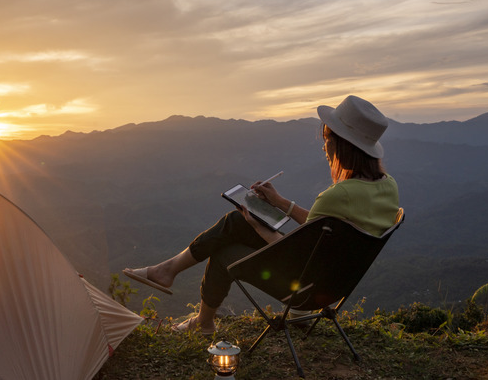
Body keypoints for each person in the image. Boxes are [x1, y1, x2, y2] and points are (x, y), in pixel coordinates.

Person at [123, 95, 400, 335]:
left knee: (227, 246)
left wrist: (257, 226)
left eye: (327, 138)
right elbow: (324, 229)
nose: (324, 146)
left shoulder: (339, 195)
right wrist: (279, 203)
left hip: (304, 288)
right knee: (238, 222)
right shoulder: (387, 187)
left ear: (342, 145)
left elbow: (298, 253)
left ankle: (199, 316)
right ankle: (168, 272)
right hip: (333, 283)